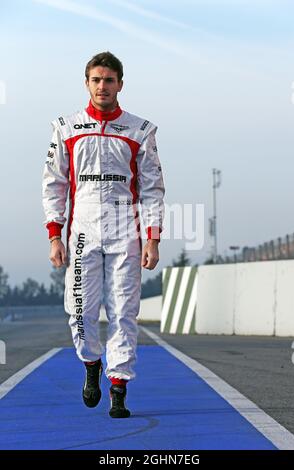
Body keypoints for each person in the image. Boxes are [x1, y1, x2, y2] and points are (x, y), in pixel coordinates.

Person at [42, 51, 165, 418]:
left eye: (109, 80)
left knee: (124, 311)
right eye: (96, 80)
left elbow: (152, 189)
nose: (102, 86)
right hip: (82, 232)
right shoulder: (65, 128)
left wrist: (153, 238)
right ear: (87, 84)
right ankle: (91, 362)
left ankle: (118, 386)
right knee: (79, 311)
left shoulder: (141, 130)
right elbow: (54, 184)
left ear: (120, 85)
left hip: (125, 231)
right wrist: (54, 234)